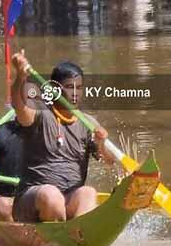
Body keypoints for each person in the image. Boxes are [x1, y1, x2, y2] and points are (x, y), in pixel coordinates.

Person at [10, 51, 114, 222]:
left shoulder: (89, 123)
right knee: (51, 195)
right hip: (33, 201)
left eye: (79, 88)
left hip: (68, 201)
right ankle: (63, 235)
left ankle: (79, 235)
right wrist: (21, 76)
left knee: (88, 193)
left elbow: (109, 161)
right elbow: (18, 105)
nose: (74, 93)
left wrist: (101, 143)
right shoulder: (40, 113)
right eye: (69, 87)